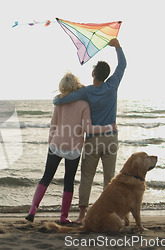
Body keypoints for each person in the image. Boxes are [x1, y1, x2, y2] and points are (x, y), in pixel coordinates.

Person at [26, 72, 116, 223]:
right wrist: (108, 127)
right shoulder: (84, 105)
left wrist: (51, 142)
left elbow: (53, 125)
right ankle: (63, 217)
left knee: (46, 178)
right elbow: (88, 129)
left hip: (55, 145)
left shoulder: (59, 103)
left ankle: (32, 210)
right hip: (73, 150)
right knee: (69, 182)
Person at [52, 38, 126, 224]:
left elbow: (65, 99)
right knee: (110, 179)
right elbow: (123, 64)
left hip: (93, 140)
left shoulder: (86, 92)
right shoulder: (112, 85)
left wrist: (56, 101)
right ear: (107, 75)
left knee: (87, 177)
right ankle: (111, 213)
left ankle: (81, 216)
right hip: (110, 139)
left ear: (93, 73)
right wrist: (117, 46)